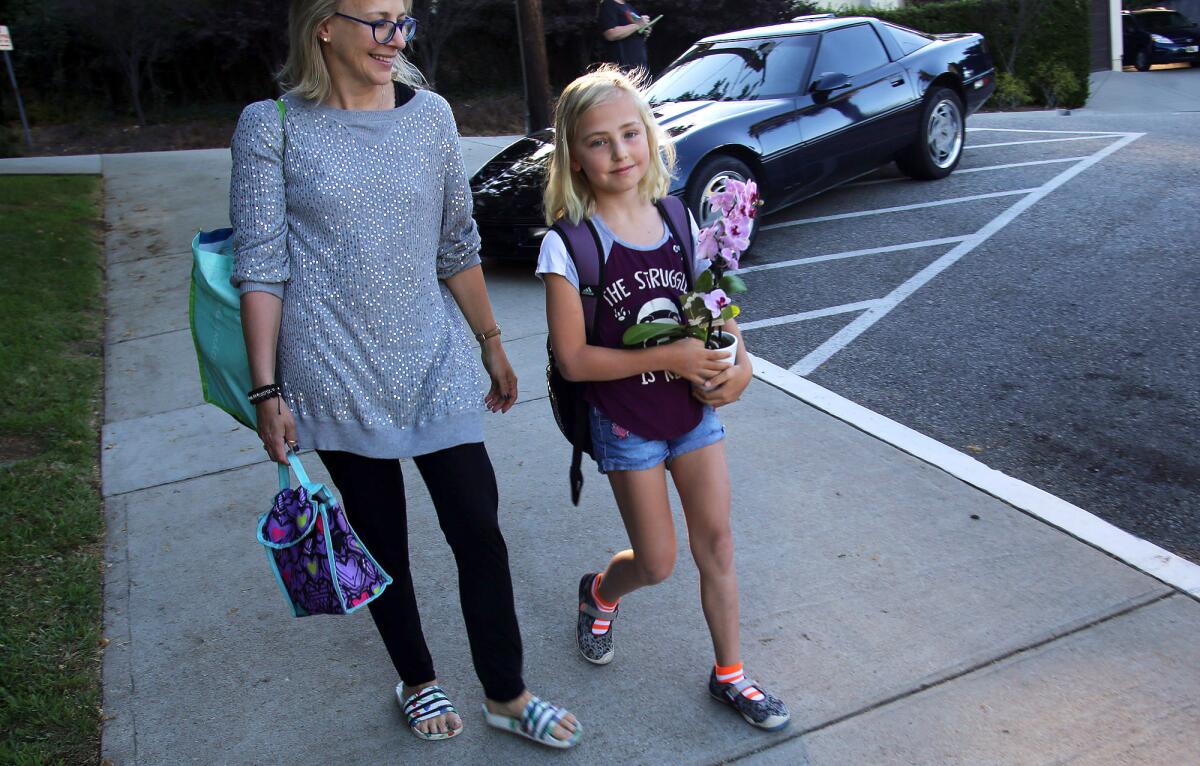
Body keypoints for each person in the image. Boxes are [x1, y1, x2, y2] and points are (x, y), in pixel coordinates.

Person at [229, 0, 580, 749]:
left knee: (478, 528)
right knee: (380, 540)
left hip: (432, 358)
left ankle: (507, 693)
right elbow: (260, 266)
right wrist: (266, 390)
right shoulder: (273, 126)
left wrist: (490, 341)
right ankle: (417, 679)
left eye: (403, 22)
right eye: (378, 22)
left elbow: (457, 242)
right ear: (325, 25)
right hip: (332, 367)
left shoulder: (431, 118)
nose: (395, 39)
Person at [536, 66, 790, 732]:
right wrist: (671, 356)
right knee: (657, 561)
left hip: (691, 414)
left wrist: (741, 361)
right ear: (574, 157)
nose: (620, 153)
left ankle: (730, 674)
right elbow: (574, 358)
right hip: (627, 424)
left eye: (630, 134)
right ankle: (598, 592)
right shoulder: (570, 246)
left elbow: (717, 308)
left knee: (718, 546)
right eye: (599, 142)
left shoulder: (680, 216)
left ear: (650, 136)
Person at [597, 0, 651, 73]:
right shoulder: (608, 4)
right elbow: (610, 34)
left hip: (640, 66)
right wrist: (637, 25)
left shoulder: (629, 7)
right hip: (624, 68)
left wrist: (644, 32)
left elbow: (632, 34)